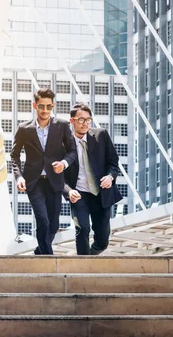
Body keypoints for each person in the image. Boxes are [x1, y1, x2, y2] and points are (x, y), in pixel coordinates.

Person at [11, 88, 77, 255]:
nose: (45, 110)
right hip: (34, 182)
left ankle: (40, 251)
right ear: (35, 105)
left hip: (55, 182)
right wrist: (19, 177)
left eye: (48, 107)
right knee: (43, 219)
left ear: (53, 106)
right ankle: (48, 259)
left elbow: (72, 151)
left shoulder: (61, 126)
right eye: (41, 106)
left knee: (53, 225)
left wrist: (64, 163)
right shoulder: (24, 129)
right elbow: (14, 156)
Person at [64, 103, 122, 255]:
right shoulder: (63, 144)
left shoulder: (101, 135)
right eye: (81, 120)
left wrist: (110, 176)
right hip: (78, 194)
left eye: (88, 120)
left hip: (100, 193)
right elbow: (57, 176)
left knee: (102, 240)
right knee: (82, 228)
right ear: (72, 121)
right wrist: (69, 191)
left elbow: (113, 162)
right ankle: (83, 267)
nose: (85, 124)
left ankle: (90, 256)